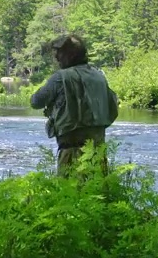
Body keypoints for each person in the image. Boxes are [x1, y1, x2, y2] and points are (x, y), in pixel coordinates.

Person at [30, 34, 120, 176]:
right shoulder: (99, 76)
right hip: (98, 152)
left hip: (71, 153)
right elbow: (113, 110)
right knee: (97, 195)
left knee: (69, 195)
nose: (56, 58)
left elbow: (36, 101)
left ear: (70, 55)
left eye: (59, 53)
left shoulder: (60, 77)